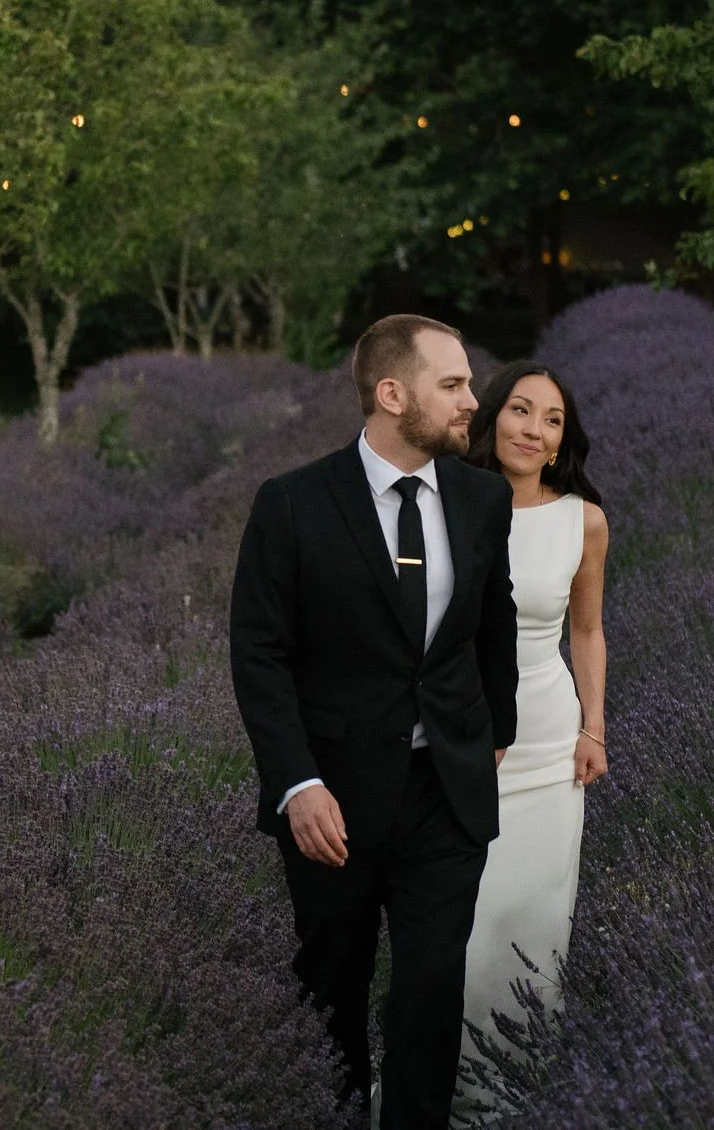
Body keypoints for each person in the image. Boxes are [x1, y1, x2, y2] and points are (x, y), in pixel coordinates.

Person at [230, 314, 520, 1128]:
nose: (474, 401)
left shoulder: (481, 497)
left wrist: (492, 733)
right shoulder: (291, 505)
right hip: (335, 802)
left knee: (430, 989)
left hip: (445, 795)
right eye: (454, 385)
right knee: (333, 991)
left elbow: (491, 626)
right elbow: (259, 656)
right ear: (392, 395)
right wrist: (297, 783)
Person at [451, 360, 610, 1122]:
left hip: (547, 748)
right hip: (456, 738)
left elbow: (586, 629)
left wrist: (593, 729)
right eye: (520, 409)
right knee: (466, 922)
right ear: (493, 419)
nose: (533, 428)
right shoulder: (448, 498)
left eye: (551, 420)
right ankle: (441, 1089)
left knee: (534, 926)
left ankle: (513, 1099)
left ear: (560, 443)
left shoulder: (583, 519)